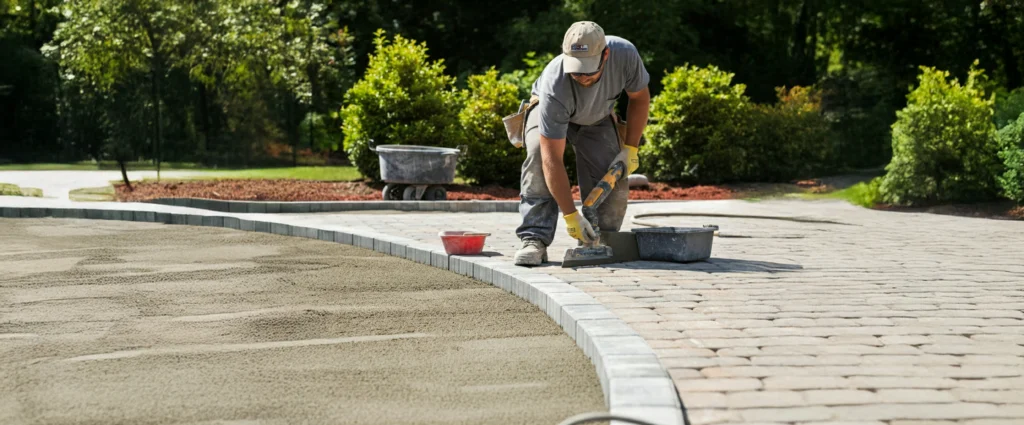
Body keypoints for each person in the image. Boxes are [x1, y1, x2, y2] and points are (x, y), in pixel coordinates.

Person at [513, 21, 651, 266]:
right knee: (536, 156)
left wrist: (630, 148)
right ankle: (534, 238)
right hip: (550, 111)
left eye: (588, 71)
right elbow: (551, 159)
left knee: (612, 174)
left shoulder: (625, 55)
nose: (581, 77)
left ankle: (598, 239)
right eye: (576, 70)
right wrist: (569, 215)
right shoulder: (555, 82)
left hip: (596, 116)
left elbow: (639, 99)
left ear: (605, 54)